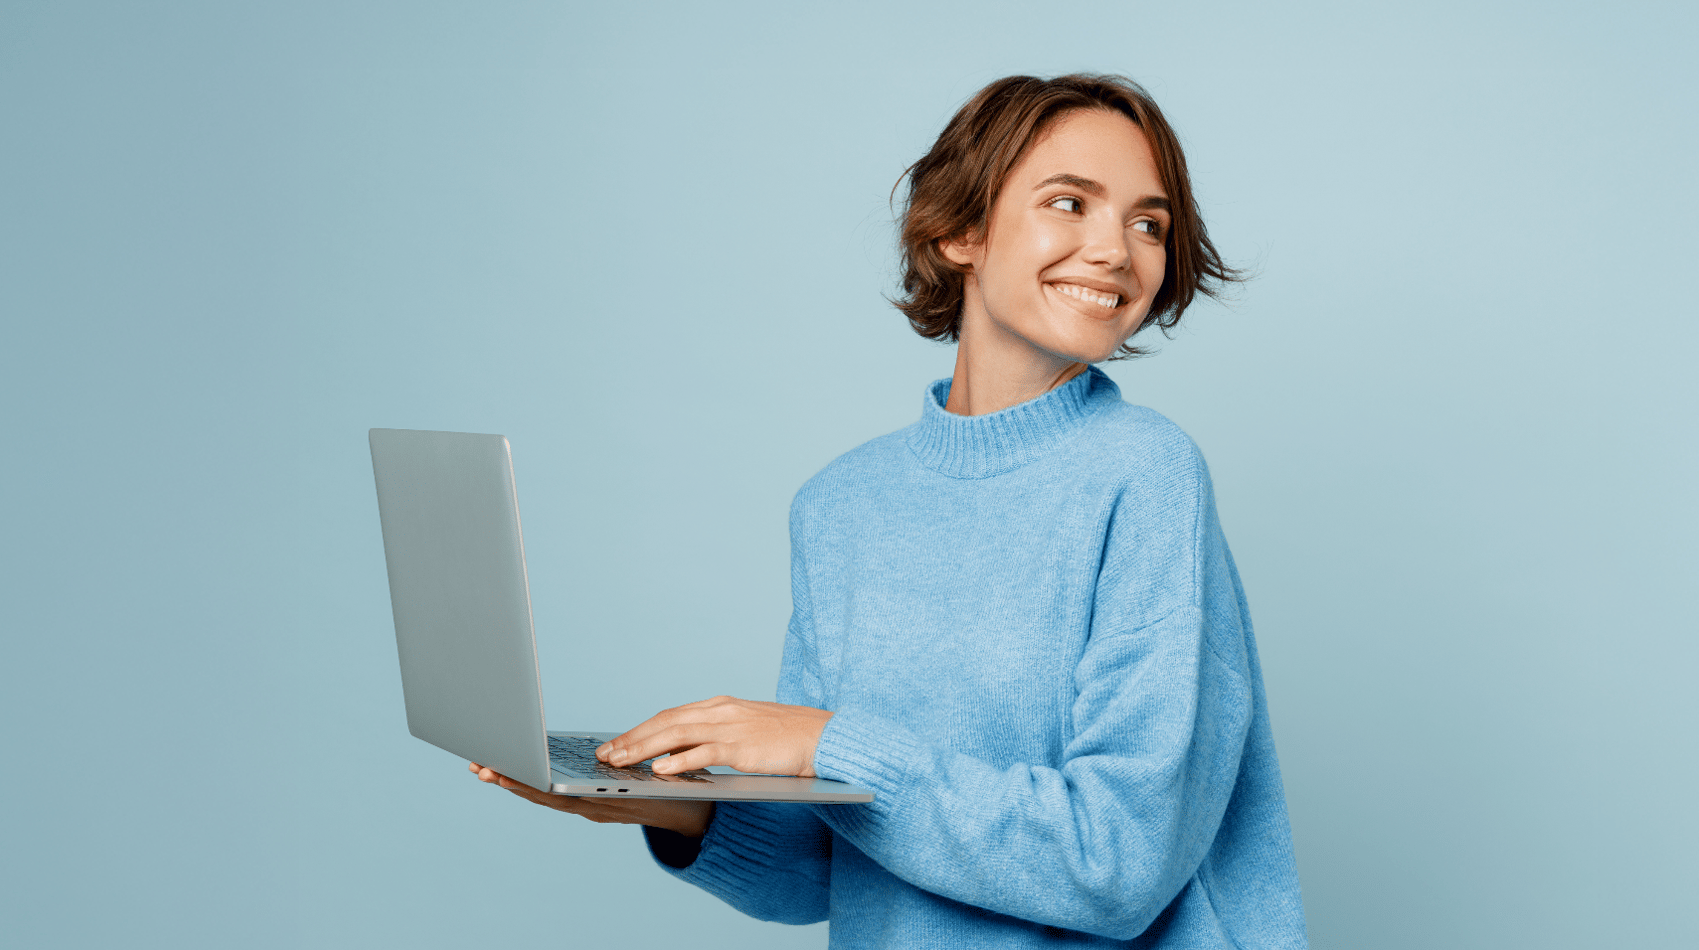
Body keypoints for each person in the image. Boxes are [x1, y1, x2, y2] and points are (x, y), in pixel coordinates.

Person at [471, 74, 1309, 948]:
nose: (1115, 250)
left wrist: (827, 745)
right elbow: (833, 864)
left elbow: (1119, 864)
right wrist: (677, 809)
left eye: (1149, 224)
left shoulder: (1147, 473)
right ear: (960, 232)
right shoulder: (841, 506)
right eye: (1070, 203)